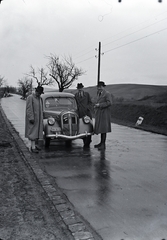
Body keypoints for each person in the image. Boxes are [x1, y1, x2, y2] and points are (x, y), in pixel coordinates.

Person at [25, 85, 44, 153]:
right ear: (36, 91)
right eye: (39, 93)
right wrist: (31, 118)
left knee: (36, 133)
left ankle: (33, 146)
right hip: (33, 118)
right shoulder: (30, 97)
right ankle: (32, 147)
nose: (39, 94)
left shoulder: (39, 98)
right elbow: (29, 108)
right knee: (32, 133)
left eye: (40, 93)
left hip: (38, 119)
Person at [94, 81, 112, 150]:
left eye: (101, 87)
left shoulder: (107, 94)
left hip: (104, 114)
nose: (99, 88)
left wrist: (100, 105)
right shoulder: (99, 94)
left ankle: (103, 144)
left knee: (104, 129)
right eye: (98, 87)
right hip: (100, 113)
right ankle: (101, 143)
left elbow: (109, 103)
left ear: (103, 87)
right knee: (101, 129)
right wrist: (96, 106)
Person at [75, 83, 93, 148]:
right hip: (80, 113)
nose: (80, 89)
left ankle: (88, 141)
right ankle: (84, 141)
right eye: (78, 88)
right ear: (77, 89)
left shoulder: (87, 94)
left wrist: (87, 108)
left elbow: (90, 102)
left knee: (89, 127)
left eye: (81, 88)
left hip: (87, 113)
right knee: (82, 128)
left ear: (83, 88)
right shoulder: (76, 95)